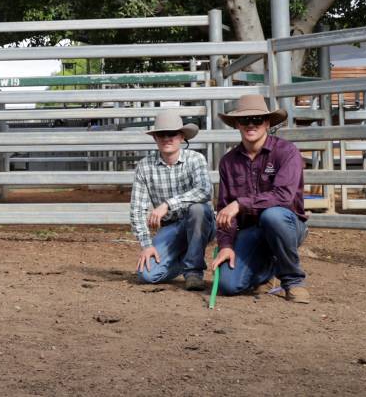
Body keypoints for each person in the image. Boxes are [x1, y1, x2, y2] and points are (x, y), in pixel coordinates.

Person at [210, 94, 310, 303]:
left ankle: (293, 281)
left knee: (272, 216)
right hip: (251, 231)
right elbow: (224, 209)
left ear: (267, 122)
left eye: (257, 120)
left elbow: (283, 196)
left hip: (286, 224)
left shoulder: (287, 152)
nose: (251, 125)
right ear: (237, 124)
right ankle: (267, 267)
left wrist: (240, 203)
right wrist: (226, 245)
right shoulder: (228, 161)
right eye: (245, 120)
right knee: (228, 285)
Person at [129, 109, 214, 290]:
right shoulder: (145, 166)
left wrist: (168, 204)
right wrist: (146, 245)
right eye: (162, 134)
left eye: (172, 134)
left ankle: (194, 272)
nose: (167, 138)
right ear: (155, 138)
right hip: (171, 228)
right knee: (147, 275)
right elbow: (137, 209)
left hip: (199, 222)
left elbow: (205, 191)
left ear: (181, 137)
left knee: (198, 210)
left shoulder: (195, 159)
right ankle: (187, 259)